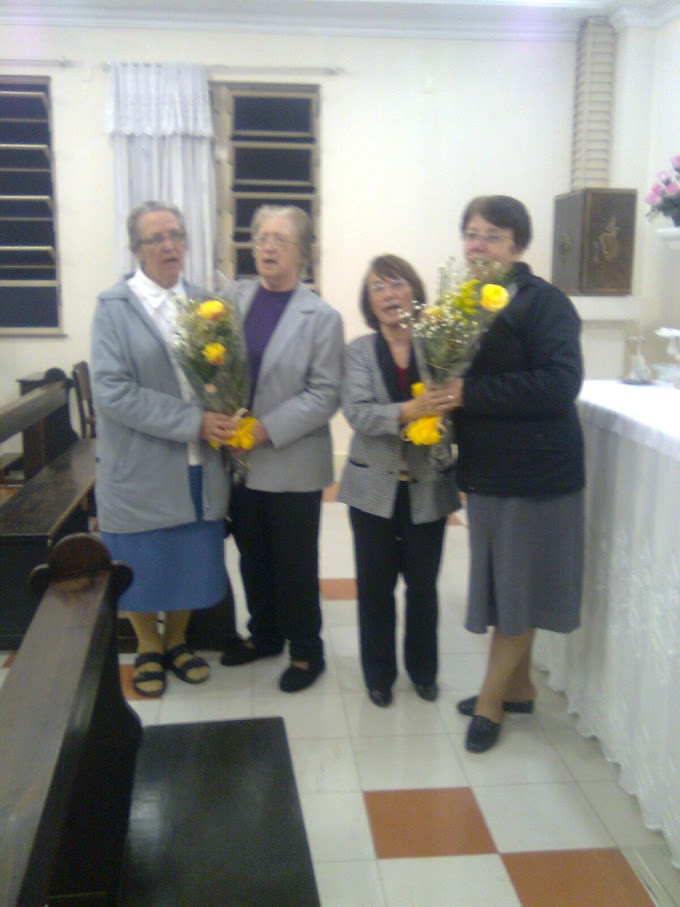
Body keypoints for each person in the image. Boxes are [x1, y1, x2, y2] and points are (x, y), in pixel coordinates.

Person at [448, 195, 585, 752]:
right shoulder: (466, 304)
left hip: (535, 474)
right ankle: (520, 686)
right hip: (488, 469)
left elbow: (559, 383)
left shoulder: (545, 303)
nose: (478, 245)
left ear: (519, 246)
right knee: (509, 584)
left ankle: (490, 701)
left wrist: (467, 392)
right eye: (472, 234)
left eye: (493, 236)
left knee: (514, 589)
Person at [92, 200, 233, 697]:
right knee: (140, 558)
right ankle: (147, 647)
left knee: (190, 553)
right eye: (156, 238)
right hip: (143, 461)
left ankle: (177, 641)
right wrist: (192, 421)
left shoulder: (204, 303)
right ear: (137, 249)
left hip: (200, 457)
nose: (169, 245)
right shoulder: (115, 307)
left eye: (176, 234)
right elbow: (111, 390)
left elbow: (220, 373)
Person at [220, 205, 344, 693]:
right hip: (240, 461)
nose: (267, 247)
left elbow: (324, 393)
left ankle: (306, 651)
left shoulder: (321, 315)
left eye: (280, 240)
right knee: (252, 555)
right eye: (261, 237)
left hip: (291, 459)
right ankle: (264, 635)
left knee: (294, 562)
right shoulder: (232, 298)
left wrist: (263, 429)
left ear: (302, 252)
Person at [338, 255, 460, 707]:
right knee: (374, 586)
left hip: (427, 486)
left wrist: (442, 415)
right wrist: (410, 411)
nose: (389, 294)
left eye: (397, 283)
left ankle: (424, 671)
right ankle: (379, 674)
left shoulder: (442, 346)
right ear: (369, 302)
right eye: (378, 288)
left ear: (414, 291)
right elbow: (357, 412)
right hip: (373, 490)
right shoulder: (358, 351)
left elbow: (455, 408)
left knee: (423, 587)